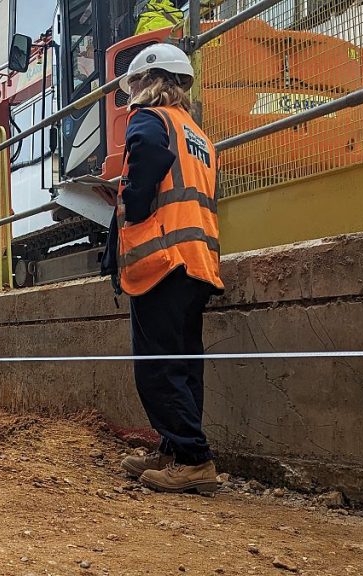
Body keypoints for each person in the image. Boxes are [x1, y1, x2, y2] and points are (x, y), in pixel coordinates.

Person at [101, 44, 224, 494]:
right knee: (185, 363)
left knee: (158, 367)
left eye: (134, 84)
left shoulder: (150, 120)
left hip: (162, 259)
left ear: (146, 82)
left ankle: (193, 458)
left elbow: (148, 161)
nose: (131, 93)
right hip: (196, 260)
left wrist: (131, 205)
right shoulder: (197, 133)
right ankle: (176, 450)